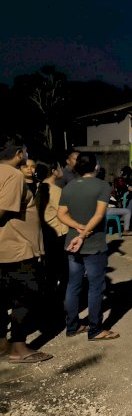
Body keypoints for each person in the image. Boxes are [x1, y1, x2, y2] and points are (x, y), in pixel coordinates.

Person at [0, 134, 52, 364]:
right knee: (25, 298)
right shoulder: (13, 175)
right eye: (26, 151)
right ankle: (18, 348)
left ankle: (2, 344)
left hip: (5, 250)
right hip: (18, 249)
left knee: (2, 300)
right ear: (19, 153)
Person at [58, 152, 119, 341]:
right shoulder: (102, 185)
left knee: (73, 285)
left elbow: (61, 214)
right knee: (95, 287)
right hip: (94, 244)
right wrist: (84, 234)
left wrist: (77, 228)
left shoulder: (69, 186)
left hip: (72, 243)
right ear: (95, 166)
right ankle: (95, 329)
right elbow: (99, 215)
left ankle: (72, 326)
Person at [35, 161, 70, 333]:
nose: (62, 170)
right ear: (54, 170)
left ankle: (49, 312)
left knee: (50, 276)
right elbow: (64, 214)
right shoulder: (55, 190)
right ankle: (58, 313)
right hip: (58, 236)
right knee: (63, 275)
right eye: (60, 167)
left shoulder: (39, 188)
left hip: (46, 235)